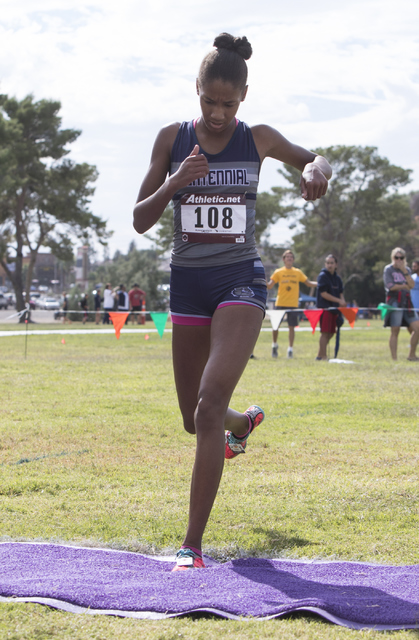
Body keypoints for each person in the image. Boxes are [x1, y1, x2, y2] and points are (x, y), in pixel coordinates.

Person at [132, 33, 332, 571]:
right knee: (194, 419)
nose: (218, 114)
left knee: (206, 404)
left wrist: (317, 171)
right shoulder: (172, 139)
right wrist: (177, 181)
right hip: (188, 286)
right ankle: (241, 425)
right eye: (209, 102)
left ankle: (191, 546)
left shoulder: (257, 138)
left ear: (243, 96)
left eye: (228, 103)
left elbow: (315, 161)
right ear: (196, 91)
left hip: (241, 282)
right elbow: (139, 218)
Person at [267, 249, 317, 358]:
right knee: (275, 326)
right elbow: (269, 286)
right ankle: (274, 345)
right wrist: (259, 280)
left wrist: (321, 283)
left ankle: (290, 349)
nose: (289, 258)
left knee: (292, 327)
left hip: (293, 304)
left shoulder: (297, 272)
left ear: (293, 260)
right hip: (280, 302)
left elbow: (308, 284)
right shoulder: (278, 272)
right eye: (287, 257)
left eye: (291, 257)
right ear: (283, 259)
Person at [383, 248, 419, 361]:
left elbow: (412, 285)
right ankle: (394, 359)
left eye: (401, 258)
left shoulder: (407, 270)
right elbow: (391, 287)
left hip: (407, 302)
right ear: (392, 257)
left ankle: (412, 355)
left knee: (417, 329)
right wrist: (404, 286)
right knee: (395, 330)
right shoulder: (388, 269)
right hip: (395, 302)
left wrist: (404, 271)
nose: (399, 260)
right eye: (396, 257)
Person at [316, 255, 346, 360]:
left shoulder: (337, 278)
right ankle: (323, 356)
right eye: (328, 263)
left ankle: (320, 354)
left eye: (332, 263)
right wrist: (339, 301)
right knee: (325, 332)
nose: (330, 265)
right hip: (325, 309)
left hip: (335, 309)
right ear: (325, 264)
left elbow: (341, 292)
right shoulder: (323, 276)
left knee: (332, 332)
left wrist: (343, 302)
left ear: (336, 265)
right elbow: (323, 294)